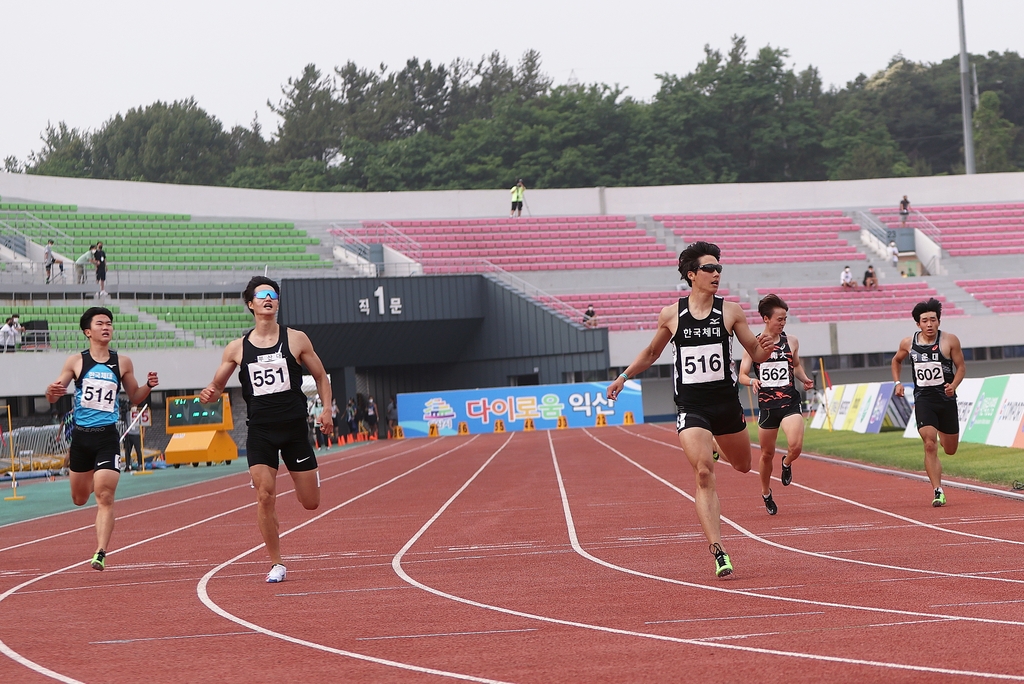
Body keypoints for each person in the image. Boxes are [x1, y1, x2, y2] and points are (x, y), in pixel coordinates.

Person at [607, 241, 773, 578]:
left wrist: (765, 348)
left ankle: (716, 443)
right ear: (691, 274)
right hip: (691, 405)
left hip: (726, 404)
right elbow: (652, 353)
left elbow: (755, 353)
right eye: (709, 269)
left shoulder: (731, 311)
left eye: (719, 269)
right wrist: (624, 376)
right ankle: (719, 551)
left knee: (742, 466)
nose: (716, 274)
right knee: (702, 473)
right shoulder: (671, 314)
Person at [199, 276, 333, 583]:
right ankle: (277, 563)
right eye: (262, 296)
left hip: (295, 429)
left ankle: (310, 476)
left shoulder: (296, 339)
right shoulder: (236, 348)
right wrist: (210, 393)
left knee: (310, 503)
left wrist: (326, 409)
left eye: (273, 295)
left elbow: (322, 377)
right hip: (260, 432)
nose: (268, 299)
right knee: (264, 495)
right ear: (251, 304)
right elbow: (217, 387)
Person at [44, 307, 159, 571]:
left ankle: (100, 551)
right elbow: (55, 394)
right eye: (100, 323)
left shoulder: (122, 362)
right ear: (88, 331)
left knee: (105, 496)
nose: (106, 327)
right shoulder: (76, 362)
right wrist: (51, 392)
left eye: (109, 323)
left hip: (108, 436)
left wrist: (149, 385)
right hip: (82, 439)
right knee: (79, 498)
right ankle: (93, 482)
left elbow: (135, 396)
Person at [738, 294, 815, 516]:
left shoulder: (792, 341)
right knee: (766, 454)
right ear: (766, 319)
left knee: (796, 445)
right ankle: (765, 493)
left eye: (785, 319)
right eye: (779, 319)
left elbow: (796, 365)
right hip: (768, 406)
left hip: (790, 401)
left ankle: (788, 462)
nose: (782, 323)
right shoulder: (753, 344)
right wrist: (752, 380)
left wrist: (804, 379)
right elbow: (742, 375)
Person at [891, 298, 965, 507]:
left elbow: (961, 368)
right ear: (918, 324)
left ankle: (943, 436)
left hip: (946, 399)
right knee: (929, 443)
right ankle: (938, 490)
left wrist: (954, 385)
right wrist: (897, 382)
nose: (929, 324)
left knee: (950, 449)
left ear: (939, 321)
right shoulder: (908, 342)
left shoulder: (950, 341)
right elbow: (896, 360)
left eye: (933, 320)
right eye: (925, 321)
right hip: (924, 399)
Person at [123, 405, 144, 471]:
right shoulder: (127, 414)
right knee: (127, 451)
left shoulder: (139, 414)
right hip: (129, 434)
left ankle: (140, 465)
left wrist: (142, 434)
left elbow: (143, 424)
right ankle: (128, 465)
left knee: (138, 450)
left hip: (136, 434)